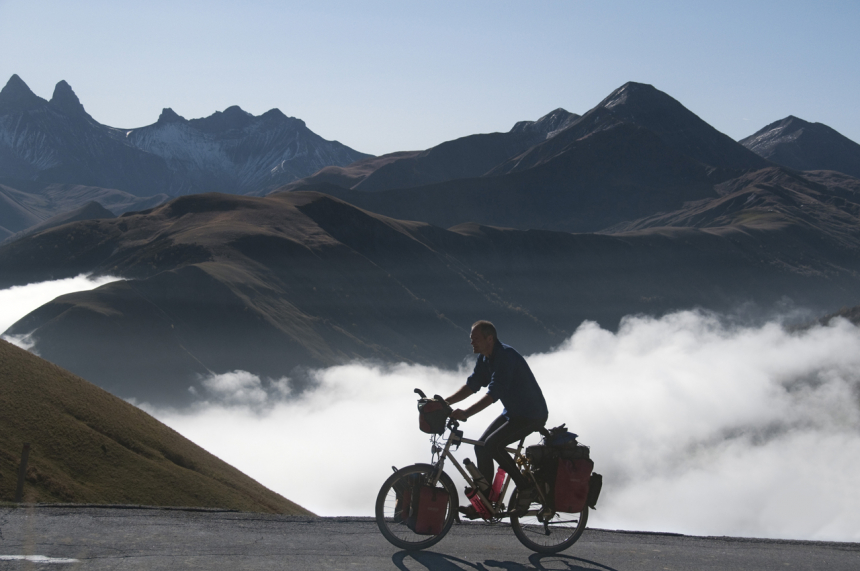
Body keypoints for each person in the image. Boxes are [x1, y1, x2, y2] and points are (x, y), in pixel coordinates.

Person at [445, 320, 548, 518]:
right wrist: (445, 402)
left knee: (493, 446)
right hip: (513, 412)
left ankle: (525, 487)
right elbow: (473, 384)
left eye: (475, 339)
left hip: (531, 414)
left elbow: (493, 395)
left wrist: (466, 413)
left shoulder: (505, 357)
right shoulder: (486, 358)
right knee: (481, 445)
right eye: (471, 339)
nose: (472, 343)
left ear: (489, 339)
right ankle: (484, 502)